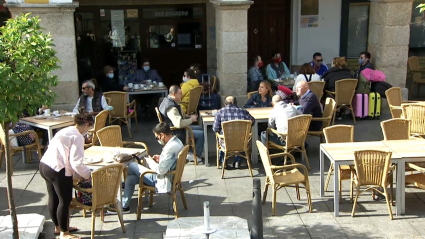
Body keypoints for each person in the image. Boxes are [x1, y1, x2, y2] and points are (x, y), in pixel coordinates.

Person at [39, 110, 93, 239]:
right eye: (90, 126)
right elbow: (76, 163)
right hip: (58, 169)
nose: (89, 130)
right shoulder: (78, 137)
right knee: (65, 200)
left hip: (45, 165)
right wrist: (87, 175)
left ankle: (59, 227)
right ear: (86, 124)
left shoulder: (66, 130)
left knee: (53, 197)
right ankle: (65, 233)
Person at [119, 122, 184, 212]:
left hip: (162, 179)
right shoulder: (177, 142)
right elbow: (171, 160)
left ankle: (125, 190)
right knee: (130, 179)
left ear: (162, 135)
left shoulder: (170, 148)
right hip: (171, 176)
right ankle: (124, 206)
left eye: (157, 137)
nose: (157, 139)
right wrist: (160, 158)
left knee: (132, 165)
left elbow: (161, 170)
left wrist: (149, 161)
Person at [158, 85, 204, 163]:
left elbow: (180, 116)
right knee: (201, 134)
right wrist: (191, 120)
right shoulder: (171, 108)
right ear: (174, 94)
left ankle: (194, 150)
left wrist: (188, 116)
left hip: (177, 128)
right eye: (180, 93)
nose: (181, 95)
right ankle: (194, 155)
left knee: (199, 128)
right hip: (176, 131)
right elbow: (178, 124)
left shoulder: (168, 100)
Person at [213, 96, 255, 169]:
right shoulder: (244, 111)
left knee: (221, 137)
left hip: (226, 143)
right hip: (241, 142)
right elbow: (253, 122)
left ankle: (223, 161)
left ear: (225, 103)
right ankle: (238, 161)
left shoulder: (220, 112)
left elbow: (215, 129)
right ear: (236, 103)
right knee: (242, 138)